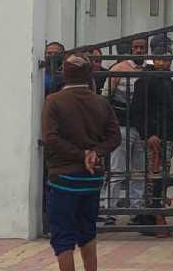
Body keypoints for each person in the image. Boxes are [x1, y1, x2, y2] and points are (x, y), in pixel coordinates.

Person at [42, 55, 121, 271]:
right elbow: (115, 137)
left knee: (63, 237)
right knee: (87, 231)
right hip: (91, 179)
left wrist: (81, 154)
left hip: (63, 178)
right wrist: (95, 152)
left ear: (64, 75)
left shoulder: (54, 101)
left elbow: (50, 138)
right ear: (89, 76)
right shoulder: (100, 102)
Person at [129, 33, 173, 236]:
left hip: (167, 134)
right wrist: (148, 133)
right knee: (154, 177)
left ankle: (154, 214)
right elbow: (138, 110)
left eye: (168, 57)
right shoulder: (146, 80)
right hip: (155, 136)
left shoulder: (165, 78)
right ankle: (152, 217)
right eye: (163, 56)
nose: (166, 61)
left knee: (160, 176)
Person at [104, 37, 149, 215]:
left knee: (139, 170)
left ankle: (136, 208)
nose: (139, 51)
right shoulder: (119, 69)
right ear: (130, 49)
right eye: (136, 47)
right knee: (117, 169)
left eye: (142, 47)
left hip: (143, 127)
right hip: (122, 124)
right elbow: (106, 96)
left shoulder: (150, 68)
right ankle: (110, 209)